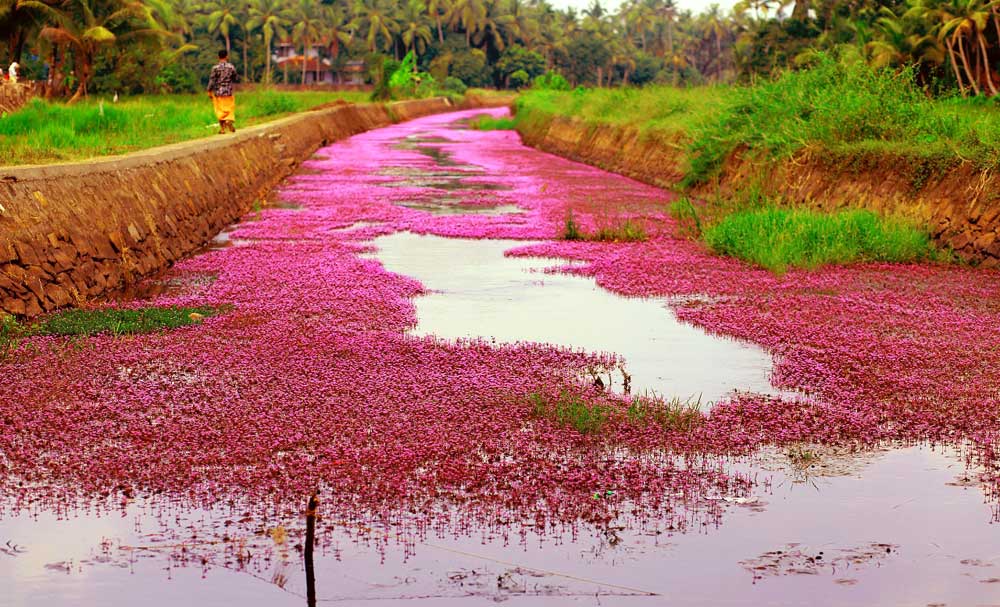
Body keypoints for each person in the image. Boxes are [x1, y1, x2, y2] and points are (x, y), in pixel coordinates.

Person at [207, 49, 238, 134]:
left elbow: (212, 80)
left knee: (220, 110)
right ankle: (228, 120)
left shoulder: (215, 68)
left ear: (218, 57)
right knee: (229, 108)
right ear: (227, 56)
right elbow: (235, 78)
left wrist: (209, 90)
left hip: (218, 92)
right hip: (228, 92)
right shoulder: (231, 67)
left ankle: (222, 129)